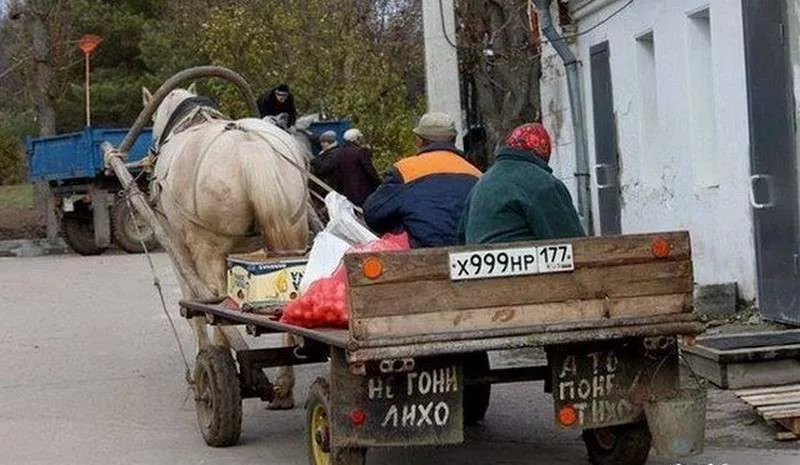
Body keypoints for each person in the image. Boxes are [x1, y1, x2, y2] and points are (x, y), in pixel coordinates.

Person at [363, 112, 481, 248]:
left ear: (420, 141)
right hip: (467, 258)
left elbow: (373, 214)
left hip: (420, 256)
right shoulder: (476, 174)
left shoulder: (404, 171)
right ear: (454, 139)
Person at [459, 122, 585, 245]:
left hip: (478, 262)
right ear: (543, 153)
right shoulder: (542, 182)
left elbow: (461, 234)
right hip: (522, 262)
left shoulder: (481, 184)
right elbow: (571, 240)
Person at [318, 128, 382, 207]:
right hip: (364, 193)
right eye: (360, 138)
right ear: (356, 139)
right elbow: (370, 171)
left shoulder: (339, 153)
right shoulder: (361, 152)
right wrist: (379, 184)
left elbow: (337, 175)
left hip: (346, 195)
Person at [309, 130, 341, 197]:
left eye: (323, 142)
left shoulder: (334, 153)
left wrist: (314, 160)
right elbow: (316, 139)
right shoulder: (330, 151)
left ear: (330, 142)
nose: (321, 144)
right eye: (321, 142)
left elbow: (323, 168)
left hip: (329, 188)